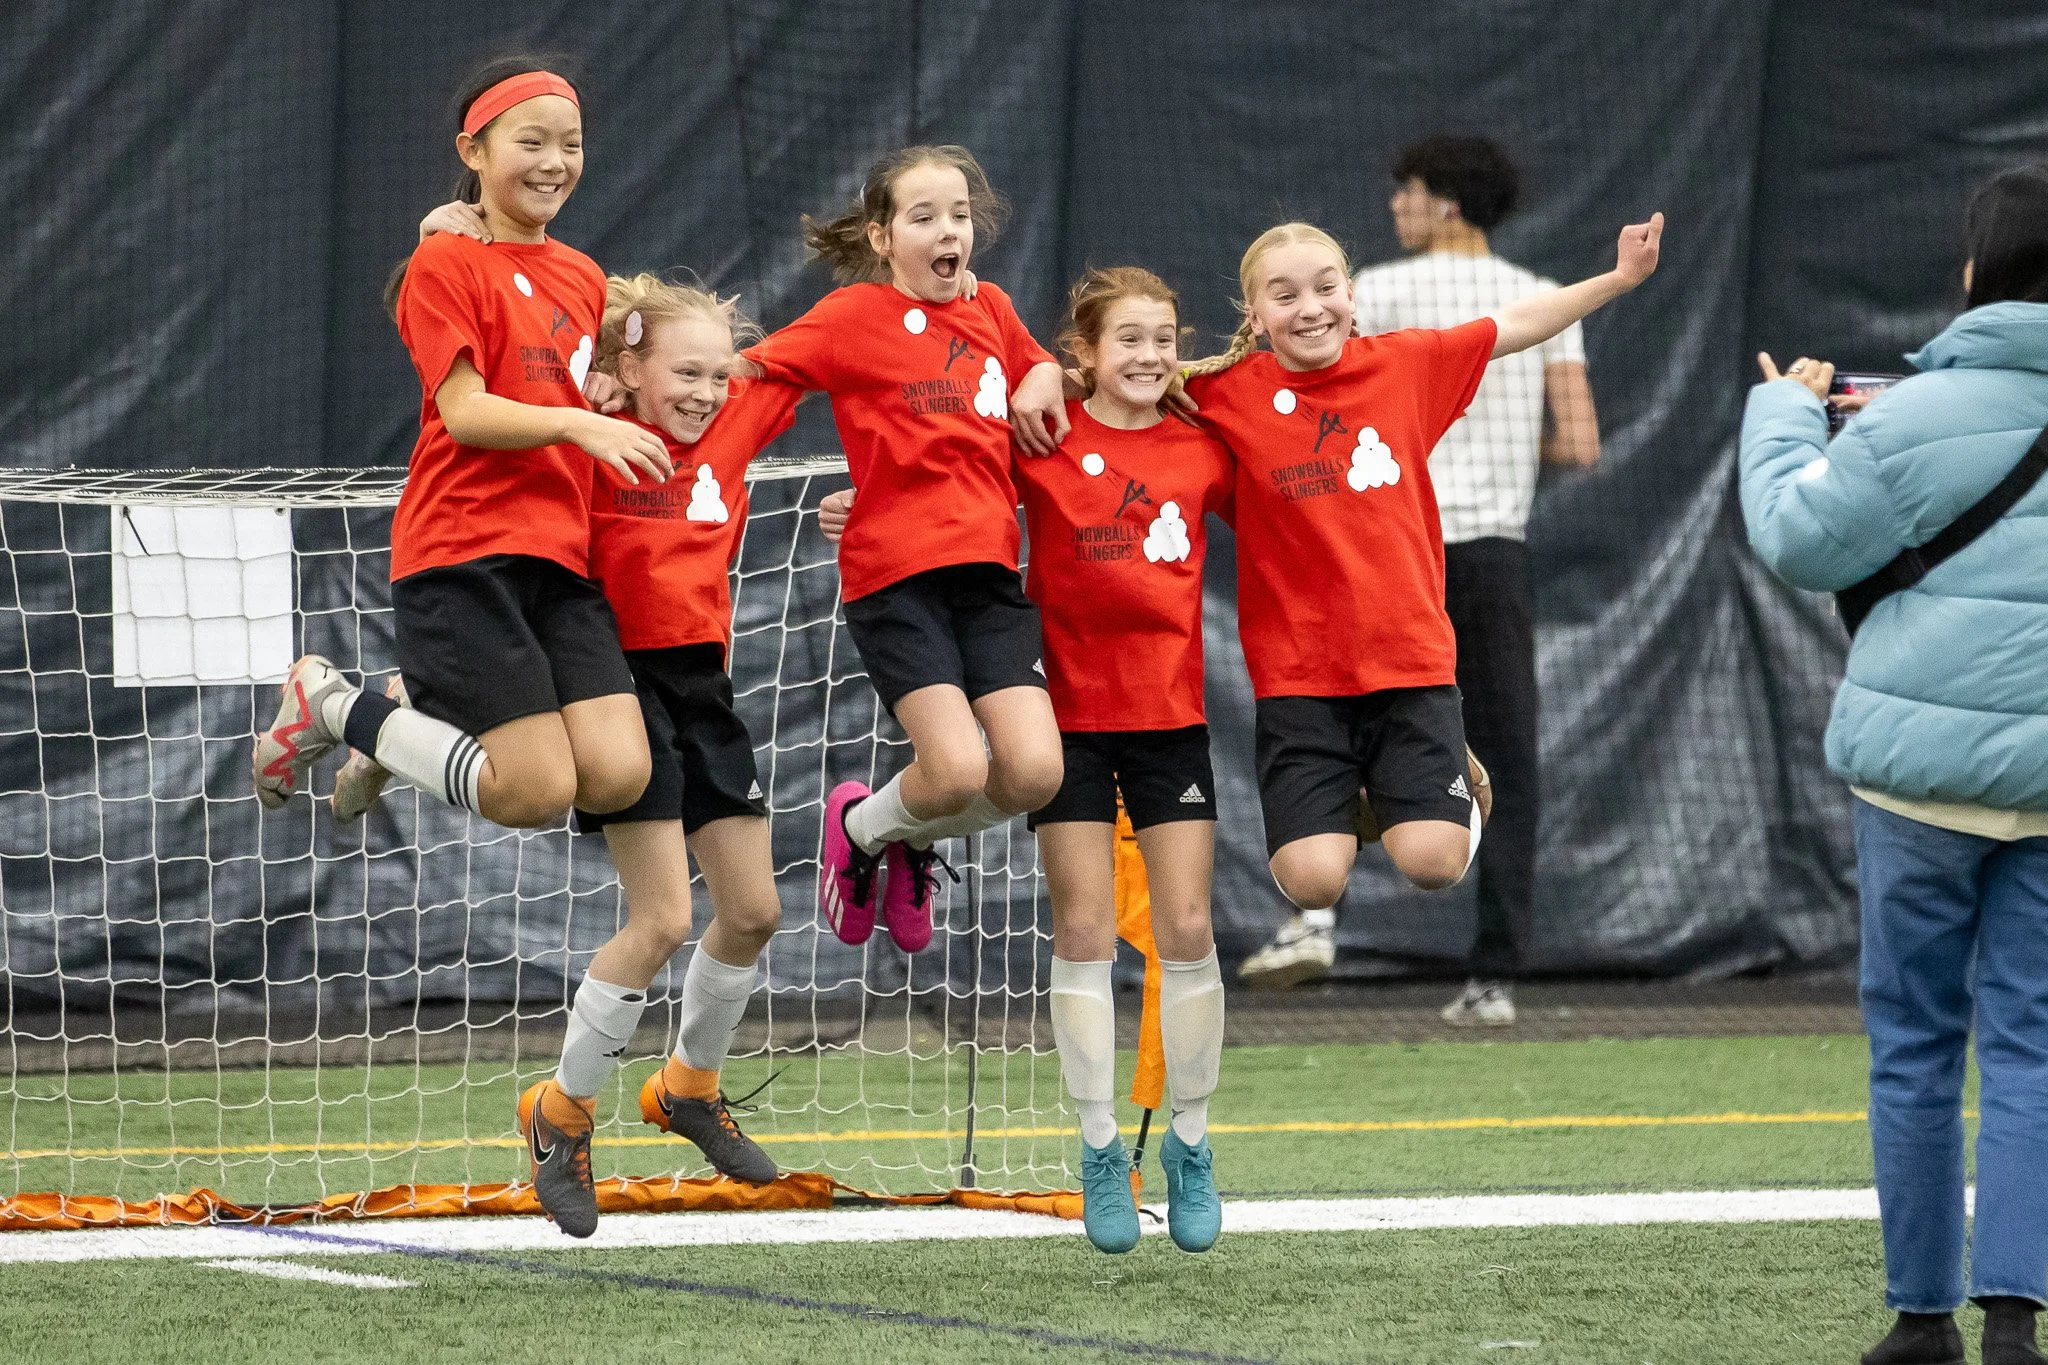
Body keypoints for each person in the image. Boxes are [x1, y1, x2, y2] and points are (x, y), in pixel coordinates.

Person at [822, 266, 1235, 1255]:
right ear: (1079, 354)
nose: (1147, 355)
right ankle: (1098, 1150)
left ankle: (1190, 1144)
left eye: (1163, 336)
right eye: (1126, 339)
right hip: (1069, 715)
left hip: (1168, 718)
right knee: (1085, 927)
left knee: (1184, 926)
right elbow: (937, 481)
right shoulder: (1035, 438)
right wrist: (863, 499)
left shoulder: (1205, 449)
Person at [1739, 164, 2048, 1365]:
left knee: (1914, 1045)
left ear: (1973, 272)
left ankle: (1920, 1319)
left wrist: (1781, 415)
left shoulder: (1910, 411)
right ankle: (2015, 1320)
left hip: (1915, 784)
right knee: (2032, 1045)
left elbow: (1796, 540)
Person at [1181, 212, 1660, 976]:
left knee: (1434, 863)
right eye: (1284, 295)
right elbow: (1120, 393)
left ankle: (1445, 779)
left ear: (1352, 295)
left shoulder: (1406, 365)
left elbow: (1515, 324)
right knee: (1310, 880)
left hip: (1409, 665)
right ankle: (1362, 799)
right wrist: (1044, 377)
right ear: (1254, 314)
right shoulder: (1222, 394)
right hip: (1300, 679)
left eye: (1325, 288)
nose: (1309, 308)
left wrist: (1619, 278)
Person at [1237, 136, 1601, 1026]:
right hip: (1491, 549)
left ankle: (1317, 919)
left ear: (1442, 201)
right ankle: (1494, 974)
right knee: (1507, 750)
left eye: (1405, 191)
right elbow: (1581, 442)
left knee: (1397, 710)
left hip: (1391, 554)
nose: (1395, 206)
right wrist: (1497, 456)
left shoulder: (1386, 299)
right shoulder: (1527, 290)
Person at [744, 146, 1069, 957]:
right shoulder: (853, 316)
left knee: (1034, 773)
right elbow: (751, 372)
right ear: (885, 238)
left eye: (959, 214)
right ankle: (859, 826)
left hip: (988, 579)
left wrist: (1047, 374)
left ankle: (907, 835)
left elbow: (1038, 374)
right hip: (896, 583)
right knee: (955, 769)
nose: (947, 229)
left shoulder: (991, 307)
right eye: (924, 217)